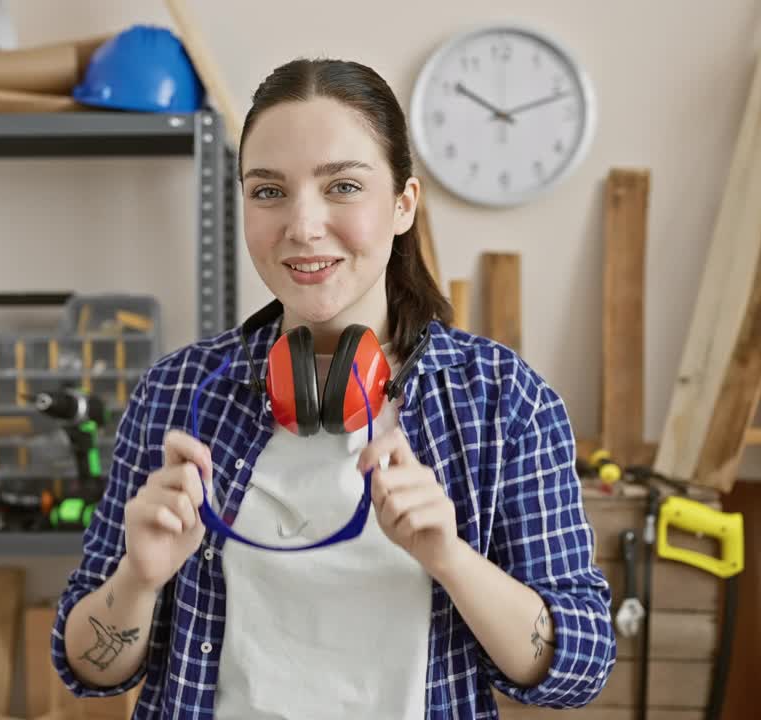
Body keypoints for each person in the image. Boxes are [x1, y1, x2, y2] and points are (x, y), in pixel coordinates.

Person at [52, 57, 615, 718]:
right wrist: (139, 580)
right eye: (269, 191)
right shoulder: (177, 393)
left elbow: (581, 666)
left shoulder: (504, 403)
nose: (302, 226)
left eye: (342, 186)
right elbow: (89, 668)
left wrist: (452, 560)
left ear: (404, 204)